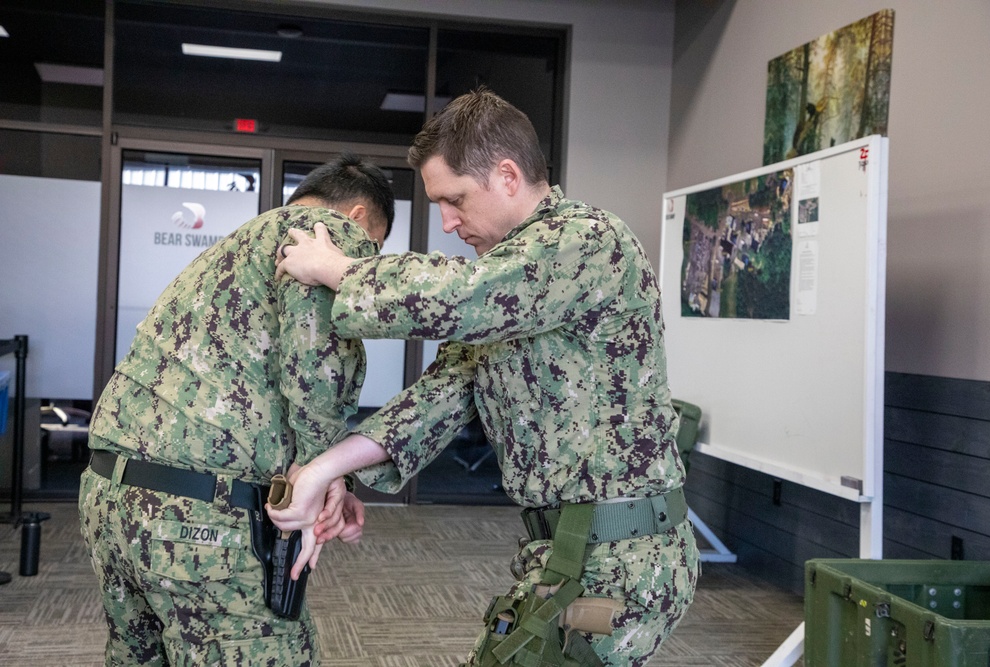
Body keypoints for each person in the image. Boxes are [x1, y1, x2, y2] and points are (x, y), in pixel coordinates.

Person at [269, 88, 699, 666]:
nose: (447, 223)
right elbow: (437, 399)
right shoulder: (511, 289)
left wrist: (341, 269)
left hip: (623, 557)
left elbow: (460, 297)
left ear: (507, 175)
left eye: (455, 200)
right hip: (565, 550)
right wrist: (322, 470)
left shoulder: (588, 242)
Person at [78, 153, 394, 666]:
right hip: (195, 517)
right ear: (357, 218)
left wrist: (332, 475)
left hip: (109, 499)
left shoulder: (234, 249)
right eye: (374, 249)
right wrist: (323, 471)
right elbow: (316, 367)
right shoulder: (324, 234)